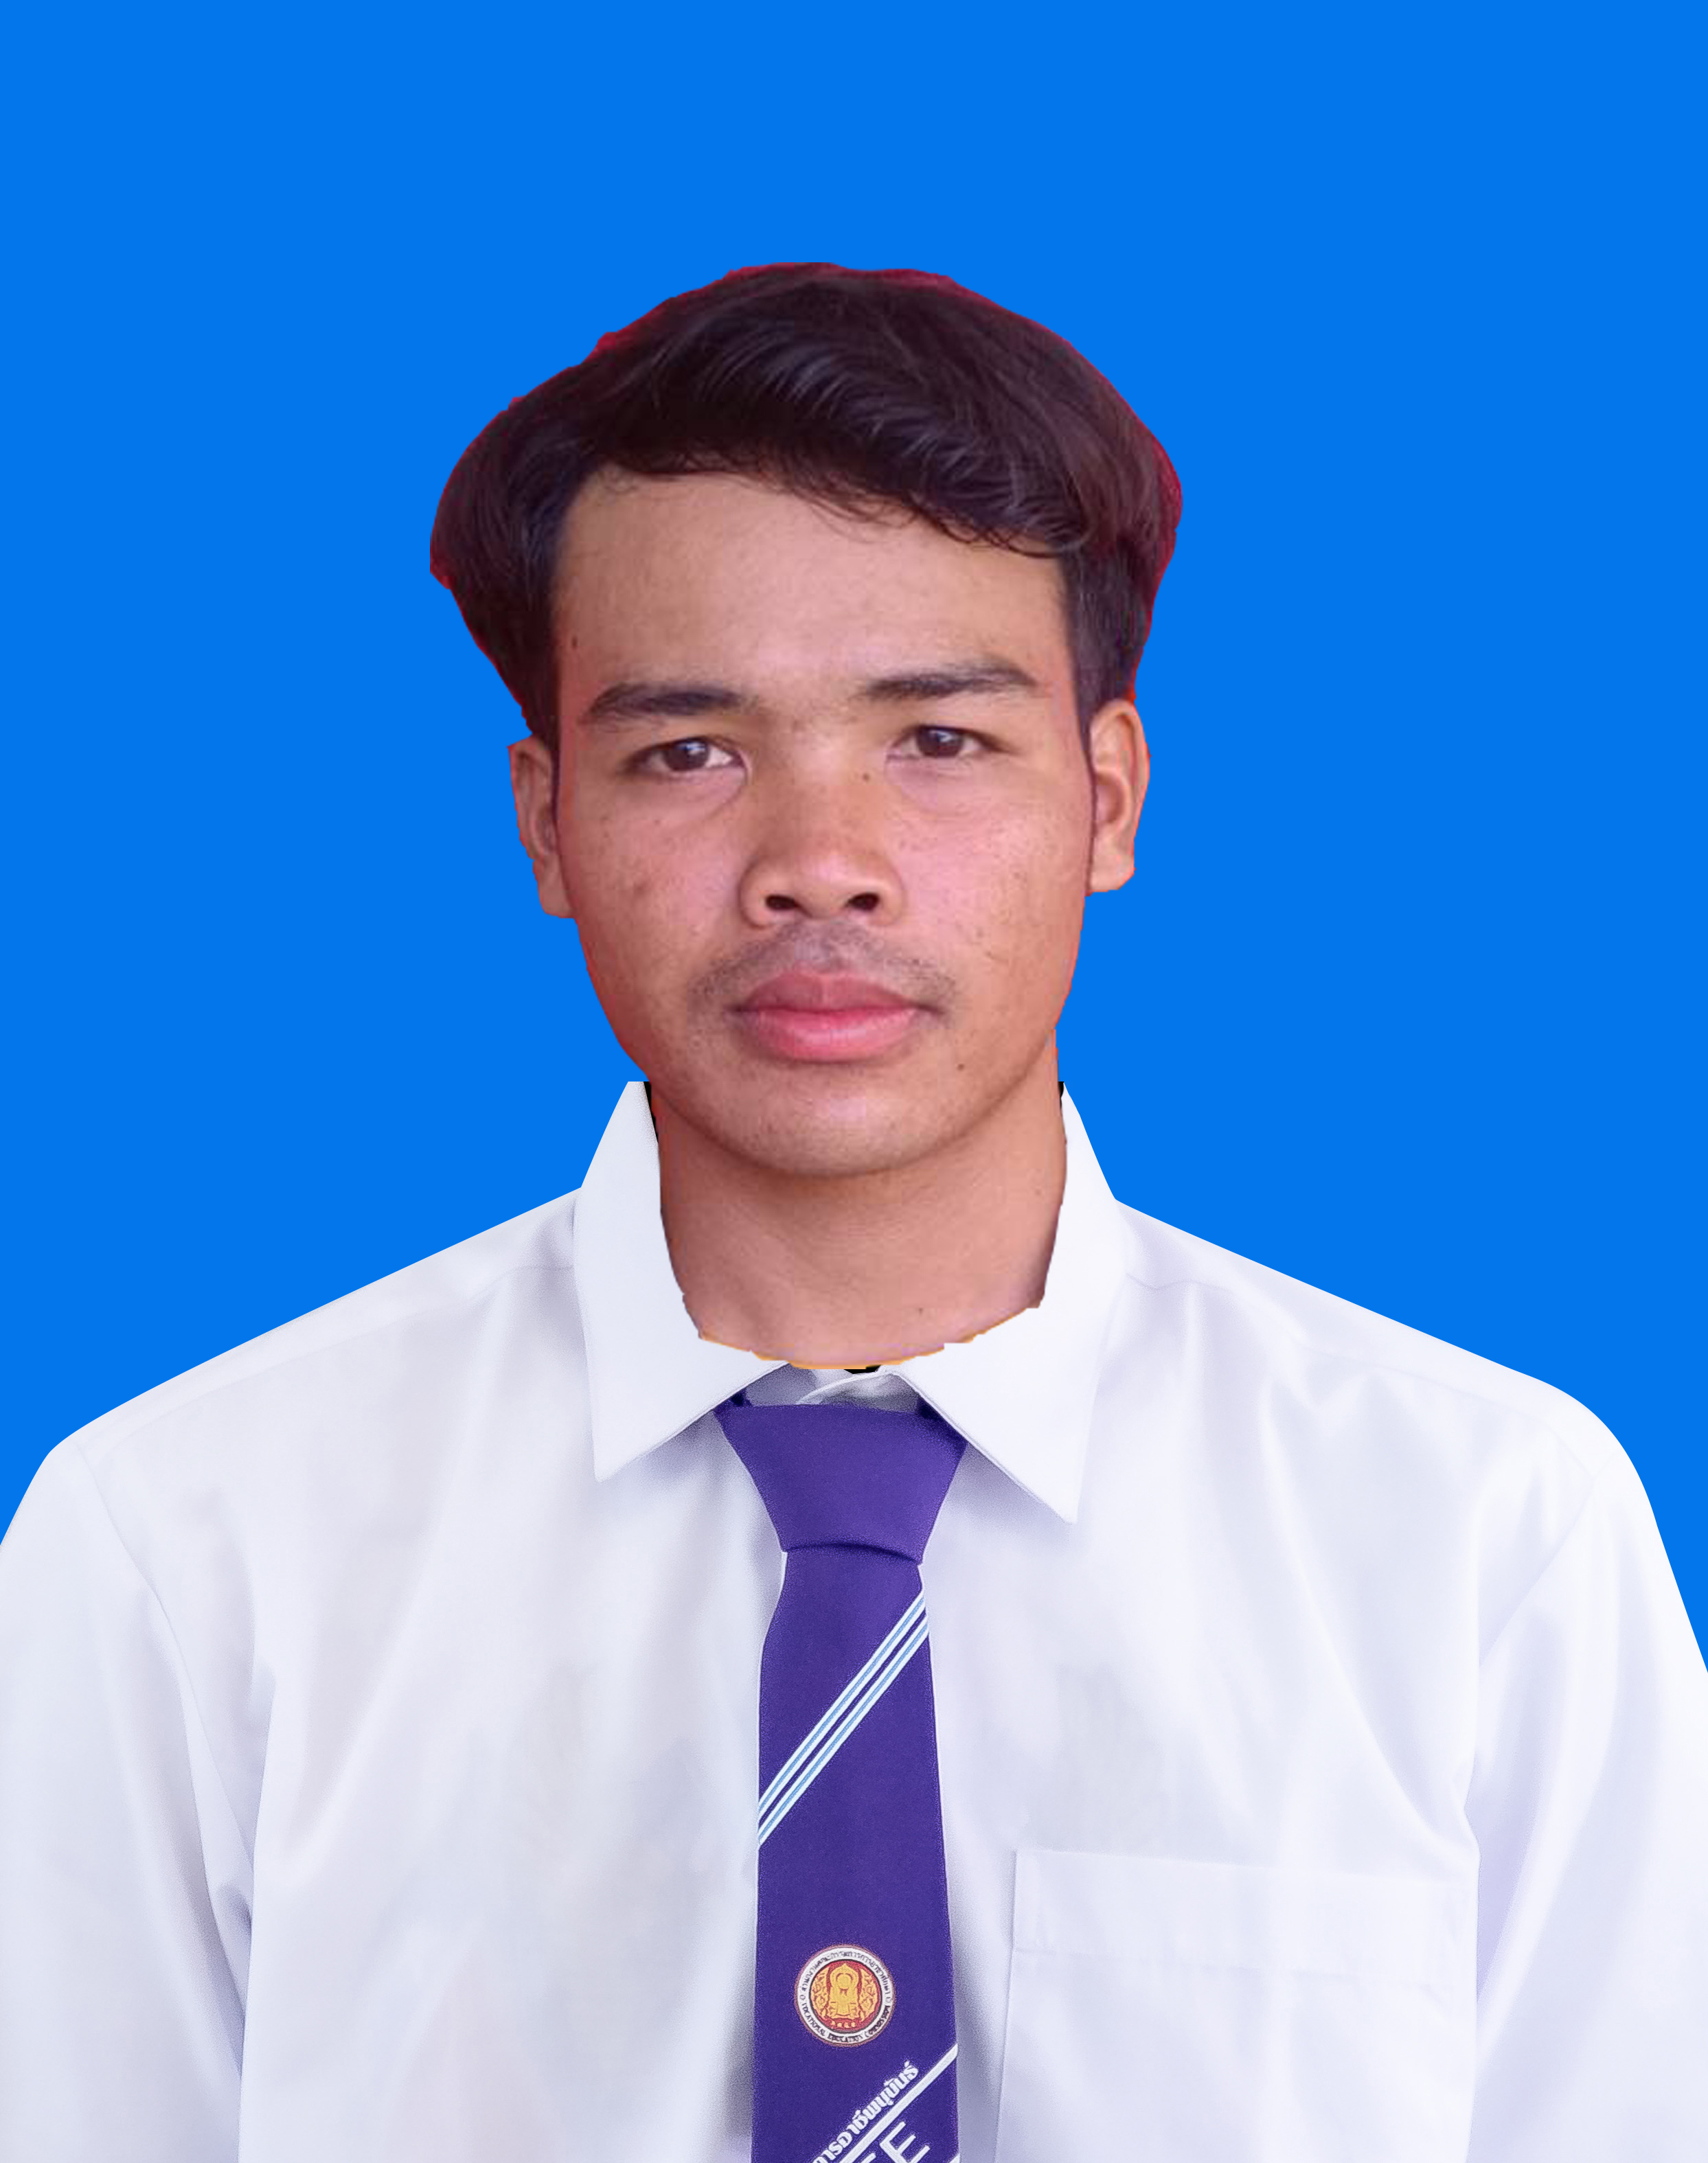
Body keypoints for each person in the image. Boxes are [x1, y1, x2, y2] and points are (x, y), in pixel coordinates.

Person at [1, 262, 1703, 2163]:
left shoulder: (1481, 1536)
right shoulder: (186, 1546)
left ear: (1110, 796)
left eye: (939, 741)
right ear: (547, 822)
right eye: (690, 752)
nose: (820, 865)